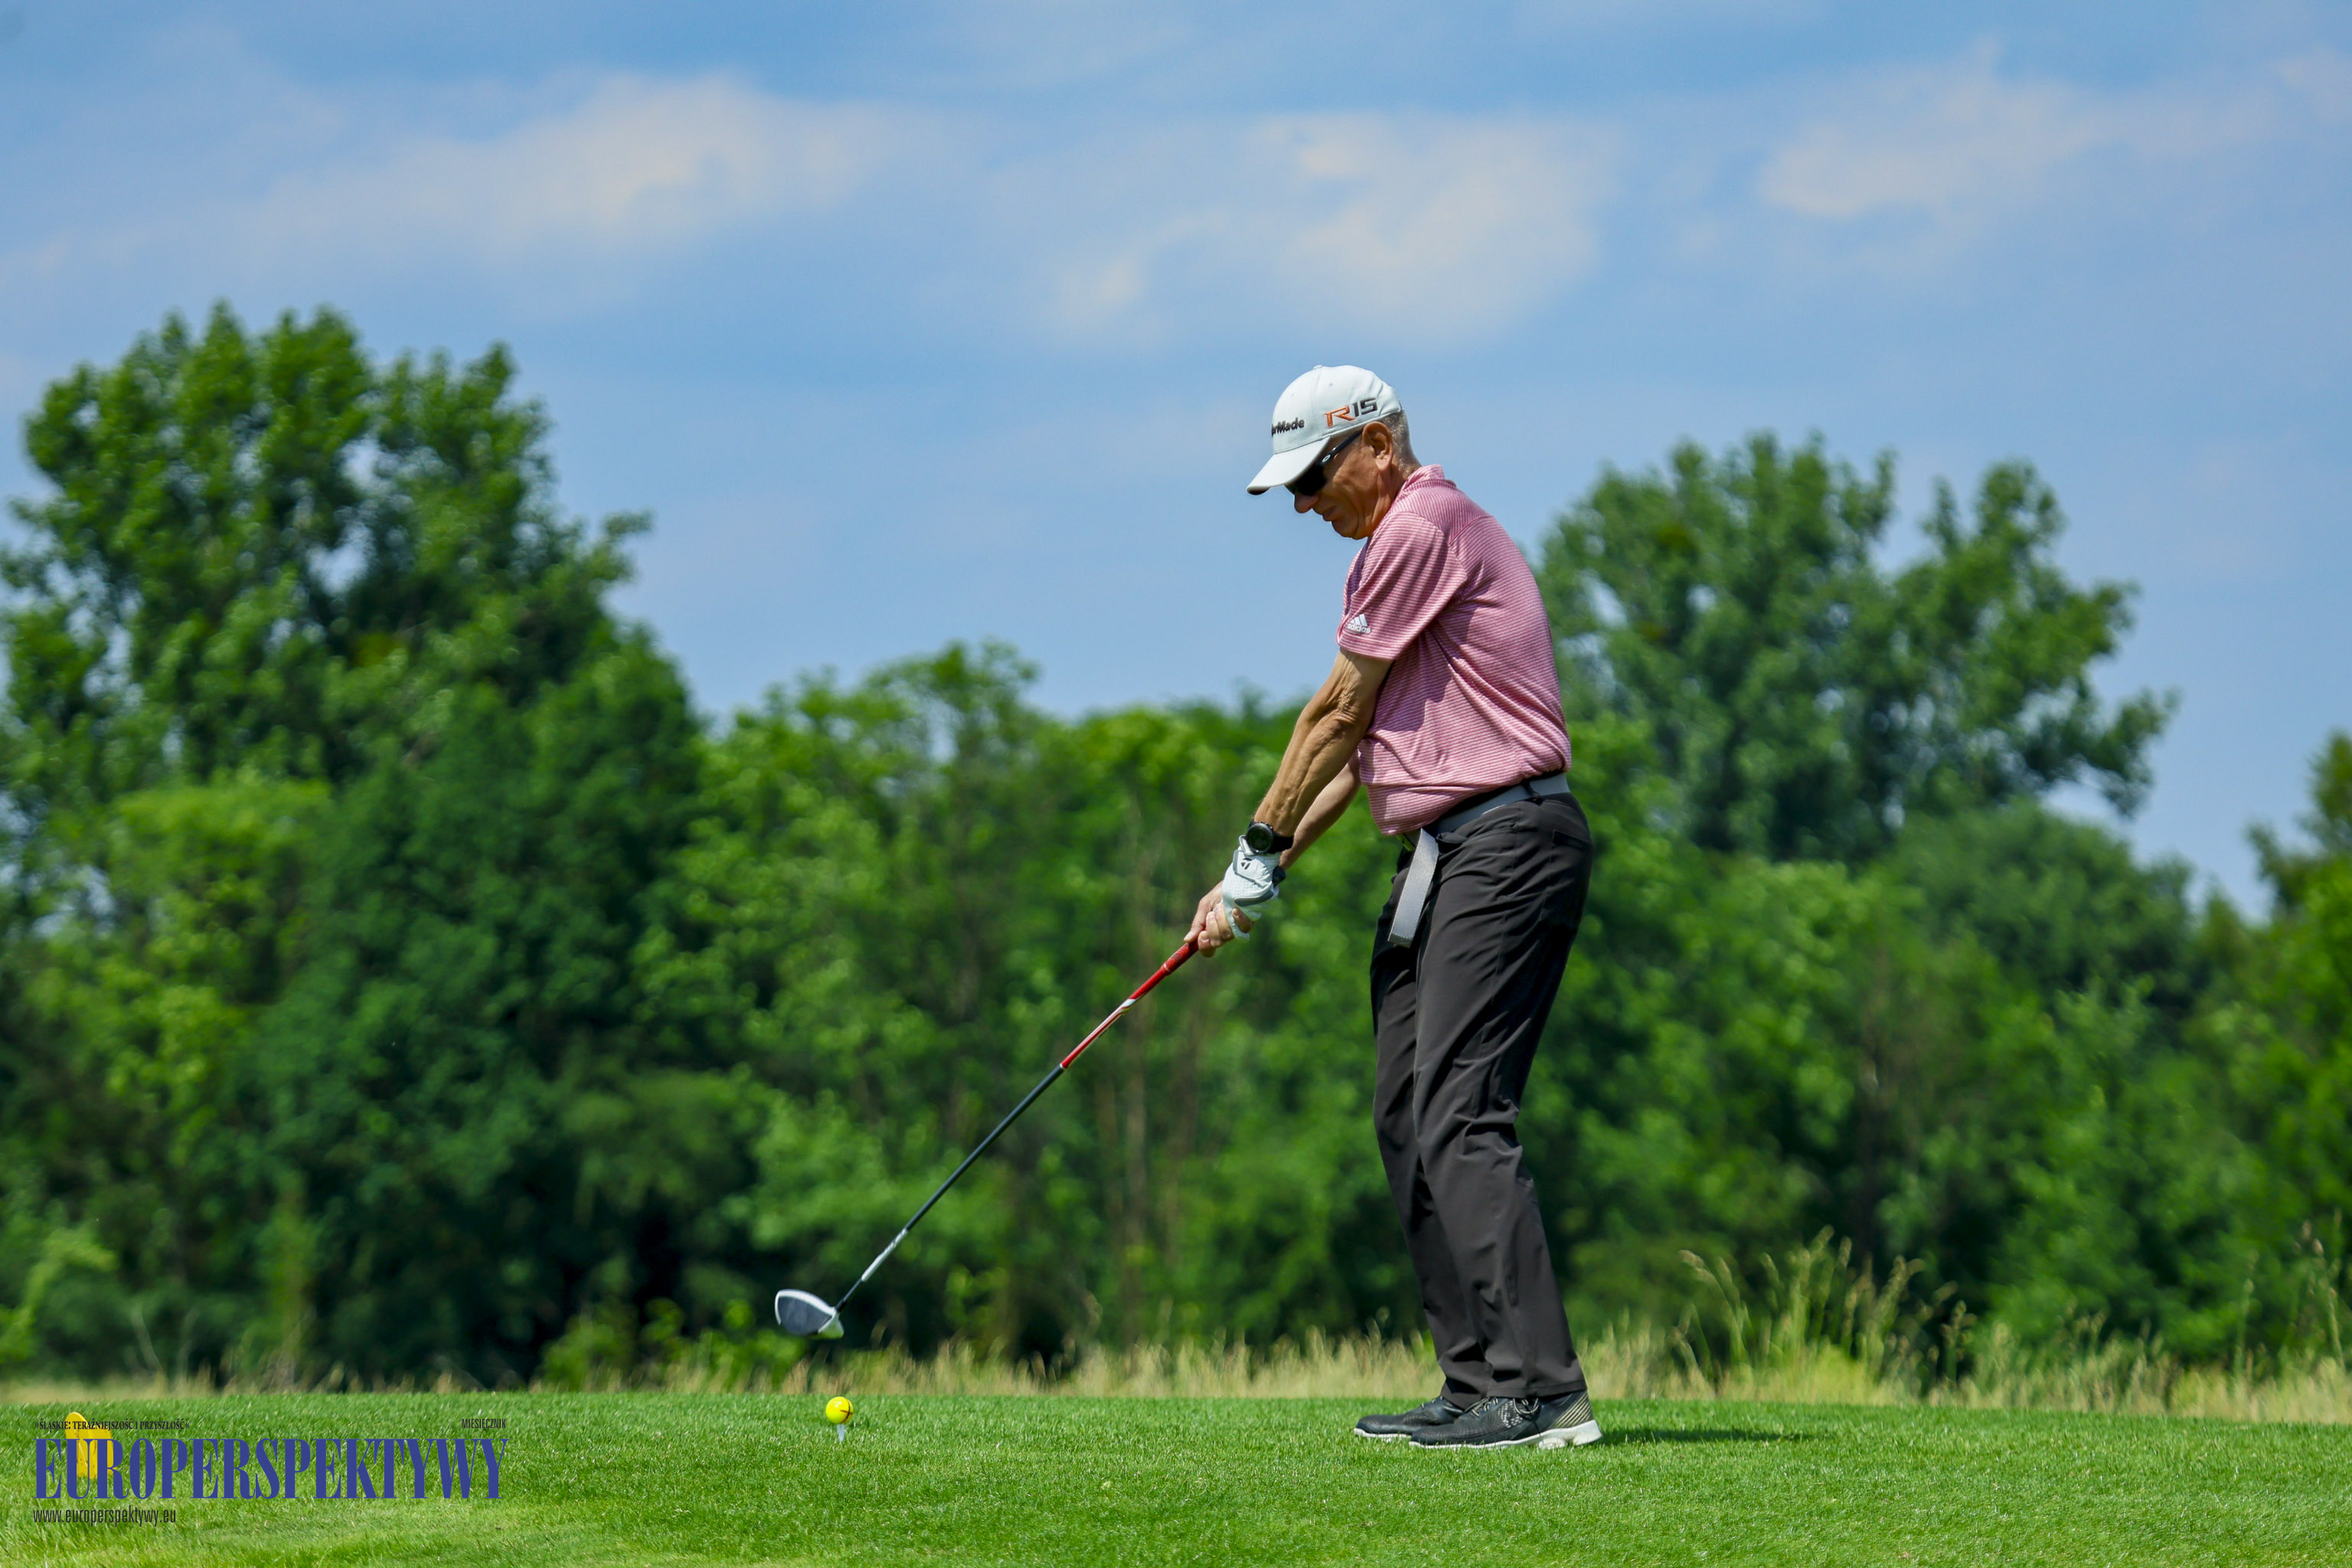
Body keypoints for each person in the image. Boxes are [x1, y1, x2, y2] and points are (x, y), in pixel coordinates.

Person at [1187, 365, 1602, 1451]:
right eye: (1291, 487)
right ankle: (1478, 1385)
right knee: (1407, 1114)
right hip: (1445, 850)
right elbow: (1359, 755)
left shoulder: (1423, 527)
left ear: (1376, 444)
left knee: (1463, 1110)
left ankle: (1544, 1394)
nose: (1304, 502)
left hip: (1507, 841)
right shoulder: (1394, 554)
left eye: (1314, 474)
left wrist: (1256, 850)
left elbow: (1330, 712)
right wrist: (1257, 873)